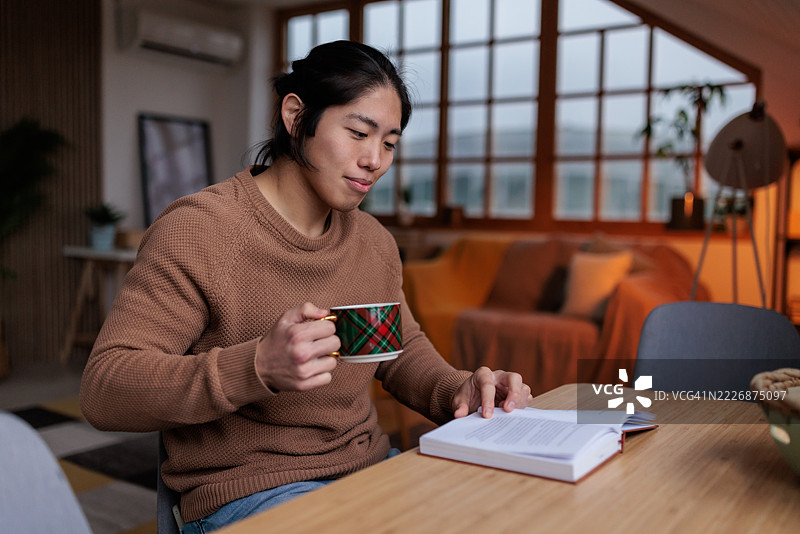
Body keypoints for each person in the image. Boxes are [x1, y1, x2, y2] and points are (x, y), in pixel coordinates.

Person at [79, 40, 532, 532]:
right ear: (295, 117)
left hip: (367, 470)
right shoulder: (199, 231)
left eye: (389, 144)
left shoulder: (373, 241)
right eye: (358, 132)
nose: (375, 160)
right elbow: (106, 388)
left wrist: (458, 389)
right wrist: (254, 367)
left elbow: (396, 349)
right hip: (250, 492)